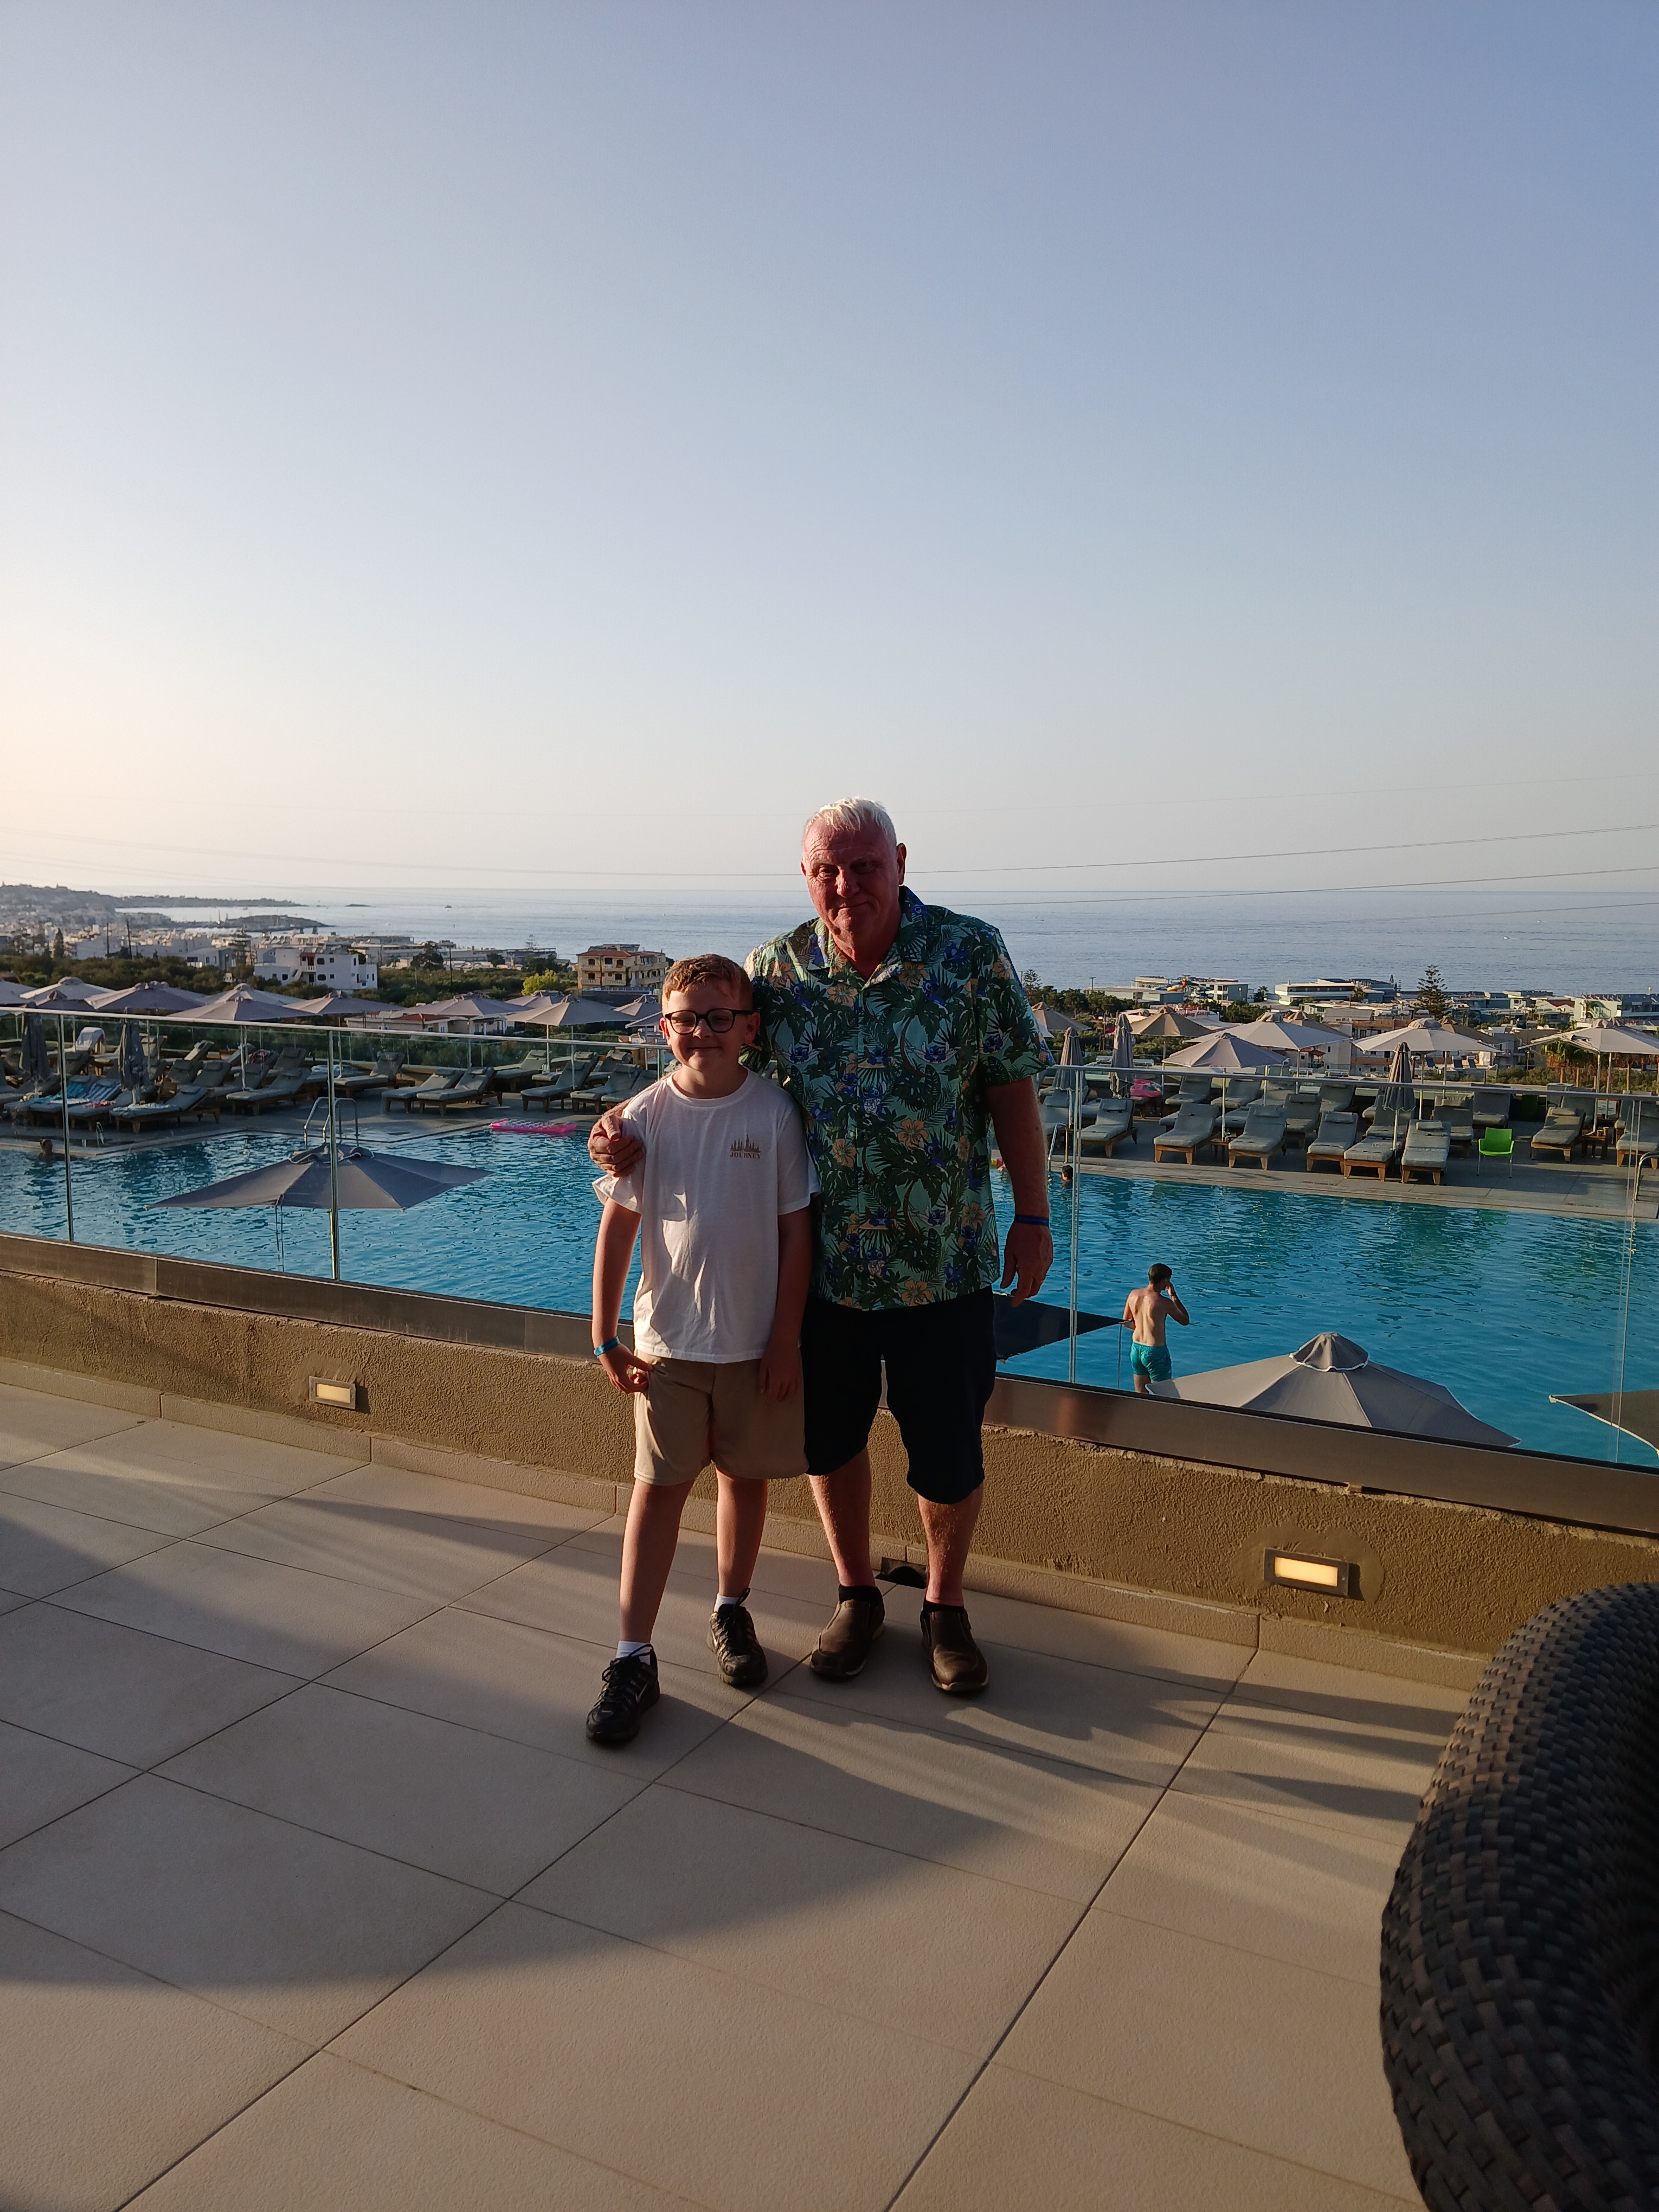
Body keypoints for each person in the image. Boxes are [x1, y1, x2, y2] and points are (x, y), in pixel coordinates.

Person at [591, 798, 1053, 1696]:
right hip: (820, 1277)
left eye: (864, 866)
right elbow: (707, 1064)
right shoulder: (778, 970)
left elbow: (1012, 1090)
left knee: (948, 1453)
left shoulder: (970, 954)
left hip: (942, 1263)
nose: (846, 887)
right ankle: (856, 1594)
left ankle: (945, 1606)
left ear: (901, 863)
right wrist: (617, 1128)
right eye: (826, 871)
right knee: (831, 1444)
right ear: (806, 877)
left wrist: (1033, 1218)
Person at [584, 954, 816, 1748]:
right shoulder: (642, 1119)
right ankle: (632, 1655)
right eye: (687, 1018)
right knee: (657, 1493)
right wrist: (604, 1334)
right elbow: (618, 1230)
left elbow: (795, 1232)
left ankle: (731, 1607)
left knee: (743, 1481)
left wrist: (784, 1340)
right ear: (664, 1029)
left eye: (721, 1017)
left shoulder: (773, 1114)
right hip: (668, 1347)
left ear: (749, 1028)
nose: (704, 1032)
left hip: (753, 1345)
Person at [1122, 1264, 1189, 1394]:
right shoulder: (1164, 1302)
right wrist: (1174, 1296)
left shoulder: (1133, 1295)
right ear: (1165, 1280)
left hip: (1136, 1348)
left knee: (1140, 1393)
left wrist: (1141, 1327)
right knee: (1162, 1394)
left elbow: (1125, 1322)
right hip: (1155, 1351)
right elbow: (1185, 1320)